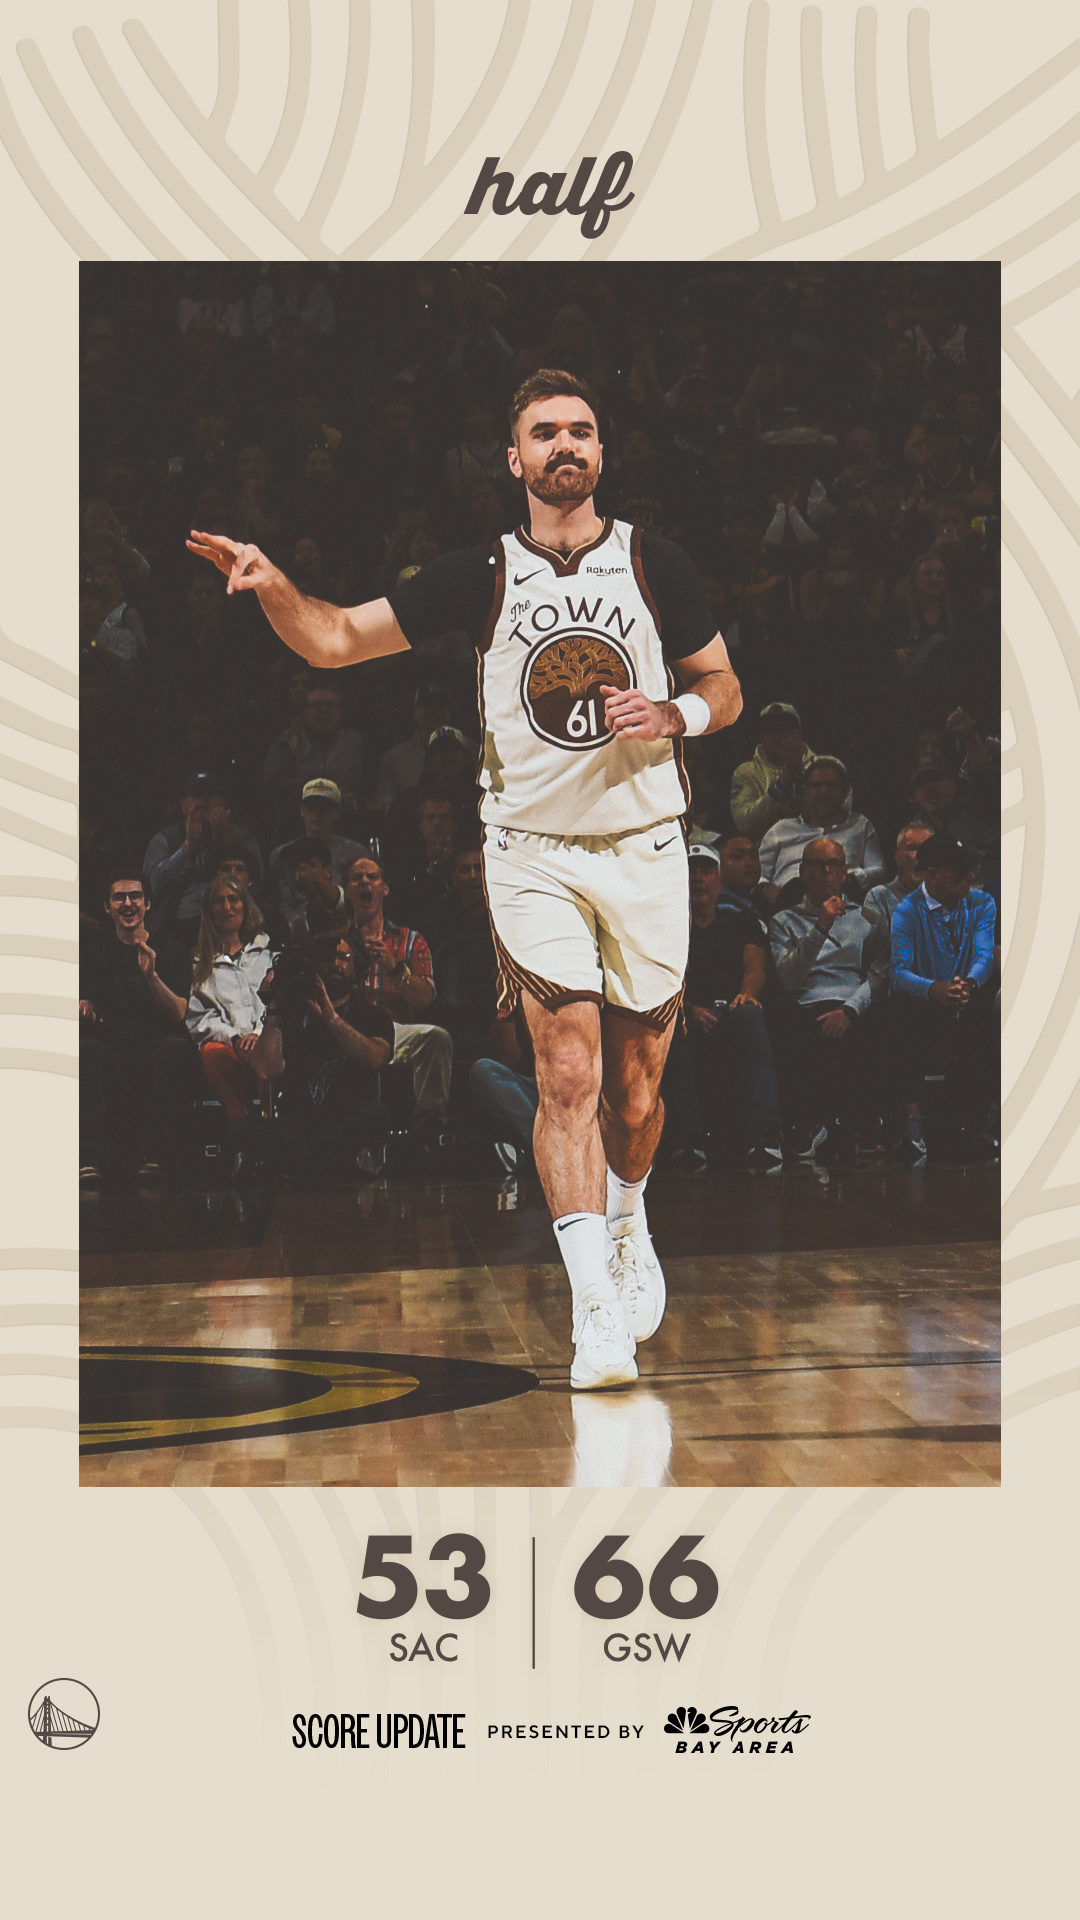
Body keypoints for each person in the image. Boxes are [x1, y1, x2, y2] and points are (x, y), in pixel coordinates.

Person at [189, 366, 741, 1389]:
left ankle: (629, 1220)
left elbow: (726, 684)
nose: (565, 445)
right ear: (514, 457)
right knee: (567, 1074)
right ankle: (594, 1310)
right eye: (546, 432)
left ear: (602, 451)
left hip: (646, 846)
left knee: (634, 1097)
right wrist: (272, 586)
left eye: (581, 430)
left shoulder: (655, 563)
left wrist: (679, 713)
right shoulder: (479, 574)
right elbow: (336, 637)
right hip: (532, 852)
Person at [239, 934, 394, 1184]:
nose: (336, 964)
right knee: (243, 1127)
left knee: (377, 1115)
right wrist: (276, 1005)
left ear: (358, 967)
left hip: (345, 1122)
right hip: (300, 1124)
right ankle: (337, 1163)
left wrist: (331, 1018)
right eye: (328, 958)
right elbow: (265, 1070)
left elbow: (376, 1058)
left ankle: (301, 1165)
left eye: (344, 957)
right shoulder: (292, 1013)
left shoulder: (371, 1015)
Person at [769, 839, 885, 1159]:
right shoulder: (783, 921)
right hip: (805, 1003)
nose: (825, 871)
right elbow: (788, 978)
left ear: (844, 872)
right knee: (783, 1017)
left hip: (852, 1002)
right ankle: (809, 1127)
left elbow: (879, 974)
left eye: (833, 864)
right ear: (802, 872)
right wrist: (820, 927)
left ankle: (863, 1126)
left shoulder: (869, 918)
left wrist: (849, 1010)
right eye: (817, 864)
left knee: (883, 1018)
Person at [889, 833, 999, 1163]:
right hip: (925, 999)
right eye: (961, 871)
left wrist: (969, 983)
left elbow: (984, 955)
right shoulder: (906, 910)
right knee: (899, 1009)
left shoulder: (982, 903)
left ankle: (993, 1118)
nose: (971, 876)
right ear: (933, 874)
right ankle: (912, 1121)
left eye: (971, 870)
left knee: (992, 1007)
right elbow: (899, 971)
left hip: (968, 994)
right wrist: (934, 989)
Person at [80, 874, 195, 1183]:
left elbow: (179, 1012)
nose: (127, 903)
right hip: (110, 1043)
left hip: (154, 1042)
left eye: (135, 896)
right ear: (107, 907)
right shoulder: (94, 949)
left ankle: (157, 1158)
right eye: (119, 897)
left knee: (175, 1049)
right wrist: (86, 1008)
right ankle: (88, 1160)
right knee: (85, 1051)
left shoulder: (171, 950)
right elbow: (87, 1001)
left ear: (147, 904)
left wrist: (151, 976)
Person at [344, 854, 452, 1153]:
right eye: (356, 878)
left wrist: (395, 968)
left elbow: (425, 997)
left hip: (394, 1031)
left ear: (385, 888)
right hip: (348, 1029)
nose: (365, 882)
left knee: (436, 1038)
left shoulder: (410, 940)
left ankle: (430, 1132)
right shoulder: (337, 941)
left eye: (372, 877)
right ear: (348, 891)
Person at [684, 843, 783, 1171]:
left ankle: (765, 1133)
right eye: (691, 871)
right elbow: (661, 979)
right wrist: (689, 1009)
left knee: (750, 1015)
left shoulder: (741, 920)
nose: (698, 878)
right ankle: (689, 1140)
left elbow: (755, 965)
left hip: (732, 1009)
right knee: (670, 1029)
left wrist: (746, 994)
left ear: (719, 879)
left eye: (706, 871)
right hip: (687, 1012)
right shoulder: (668, 926)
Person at [185, 876, 274, 1121]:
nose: (227, 907)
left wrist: (259, 1035)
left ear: (245, 905)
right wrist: (234, 1039)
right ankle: (242, 1122)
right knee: (212, 1054)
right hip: (229, 1047)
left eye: (233, 899)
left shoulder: (270, 954)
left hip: (267, 1039)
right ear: (209, 910)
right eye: (219, 901)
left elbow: (279, 1002)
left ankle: (271, 1123)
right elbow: (199, 1017)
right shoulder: (198, 964)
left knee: (276, 1051)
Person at [758, 757, 885, 904]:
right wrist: (765, 889)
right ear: (805, 792)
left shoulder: (860, 825)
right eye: (816, 785)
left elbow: (879, 869)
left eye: (831, 785)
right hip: (788, 904)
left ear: (844, 792)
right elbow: (759, 874)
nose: (823, 791)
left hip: (841, 902)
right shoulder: (781, 829)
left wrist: (850, 878)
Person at [268, 778, 368, 918]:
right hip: (297, 925)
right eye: (311, 807)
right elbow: (283, 905)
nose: (317, 813)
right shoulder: (280, 855)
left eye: (324, 807)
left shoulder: (357, 853)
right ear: (302, 810)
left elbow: (360, 900)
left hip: (345, 922)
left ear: (336, 812)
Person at [730, 702, 815, 840]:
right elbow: (744, 824)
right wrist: (783, 784)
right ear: (762, 737)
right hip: (769, 847)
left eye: (786, 728)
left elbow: (843, 810)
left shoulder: (826, 767)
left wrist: (800, 777)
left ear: (799, 733)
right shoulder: (746, 773)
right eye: (771, 730)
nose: (779, 735)